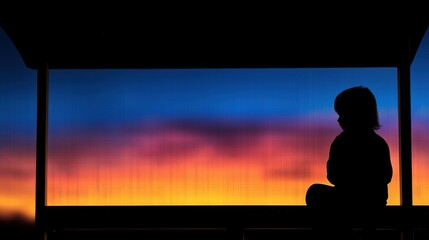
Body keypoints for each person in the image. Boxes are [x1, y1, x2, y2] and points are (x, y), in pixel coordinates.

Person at [305, 86, 393, 239]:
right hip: (374, 202)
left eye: (342, 114)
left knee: (315, 192)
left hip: (348, 200)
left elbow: (332, 176)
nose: (338, 119)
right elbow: (387, 176)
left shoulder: (341, 142)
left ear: (356, 114)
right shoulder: (379, 143)